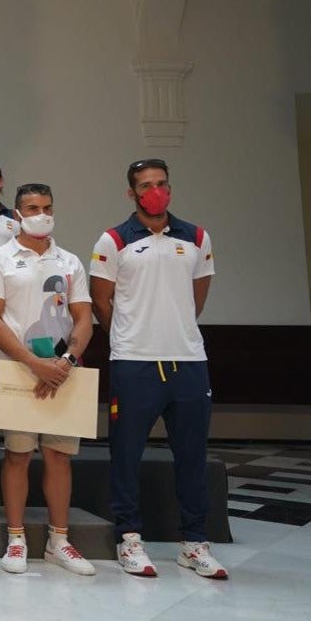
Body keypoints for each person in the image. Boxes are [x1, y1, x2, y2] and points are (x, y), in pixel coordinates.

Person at [90, 158, 227, 580]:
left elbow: (196, 299)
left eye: (162, 184)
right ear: (131, 193)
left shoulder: (197, 237)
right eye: (146, 185)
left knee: (192, 455)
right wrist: (132, 338)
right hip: (134, 362)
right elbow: (101, 302)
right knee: (126, 455)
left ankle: (193, 543)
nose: (156, 191)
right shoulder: (114, 240)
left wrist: (172, 327)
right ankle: (129, 539)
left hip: (188, 361)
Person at [0, 183, 96, 576]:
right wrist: (34, 363)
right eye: (32, 208)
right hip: (17, 370)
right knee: (18, 455)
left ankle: (58, 540)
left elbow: (82, 318)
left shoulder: (70, 261)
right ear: (17, 213)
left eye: (47, 207)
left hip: (64, 373)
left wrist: (65, 361)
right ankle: (16, 539)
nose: (41, 214)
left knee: (59, 457)